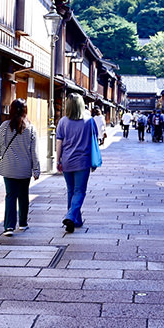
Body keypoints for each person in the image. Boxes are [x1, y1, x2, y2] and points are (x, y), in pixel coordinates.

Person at [0, 99, 40, 237]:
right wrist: (36, 169)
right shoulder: (31, 128)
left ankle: (9, 226)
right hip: (24, 168)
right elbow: (34, 151)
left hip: (8, 167)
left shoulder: (4, 126)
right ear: (25, 110)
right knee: (23, 195)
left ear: (11, 110)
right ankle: (23, 223)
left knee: (10, 196)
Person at [56, 93, 98, 233]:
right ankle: (70, 216)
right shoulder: (90, 121)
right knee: (79, 191)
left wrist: (58, 160)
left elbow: (59, 142)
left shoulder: (62, 121)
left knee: (71, 191)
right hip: (83, 161)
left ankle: (75, 221)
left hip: (67, 161)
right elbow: (95, 139)